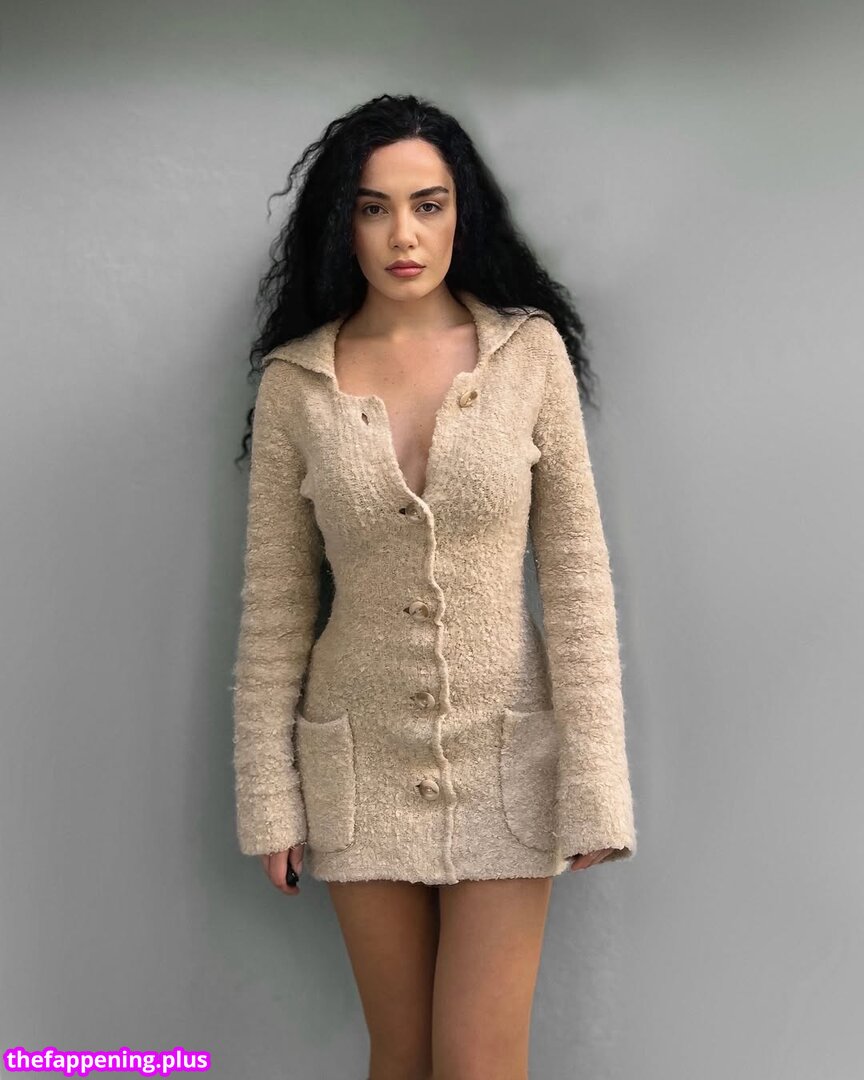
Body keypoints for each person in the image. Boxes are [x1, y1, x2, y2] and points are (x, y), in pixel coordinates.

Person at [231, 92, 637, 1080]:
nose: (403, 235)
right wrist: (268, 799)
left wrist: (596, 786)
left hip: (508, 758)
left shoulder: (527, 355)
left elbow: (578, 583)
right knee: (402, 1056)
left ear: (464, 213)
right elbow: (276, 607)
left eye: (428, 204)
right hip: (357, 763)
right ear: (343, 223)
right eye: (373, 208)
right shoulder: (296, 384)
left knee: (476, 1060)